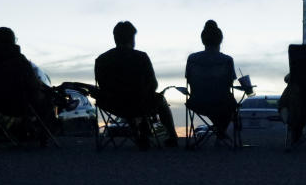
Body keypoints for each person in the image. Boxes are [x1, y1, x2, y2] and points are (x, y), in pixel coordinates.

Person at [94, 21, 178, 149]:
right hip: (140, 104)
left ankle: (139, 133)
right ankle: (172, 137)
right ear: (132, 38)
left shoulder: (101, 59)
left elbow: (102, 86)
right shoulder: (141, 57)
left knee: (127, 99)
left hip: (112, 104)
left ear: (115, 37)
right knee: (160, 99)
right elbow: (154, 84)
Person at [185, 20, 238, 141]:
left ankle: (219, 131)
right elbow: (230, 83)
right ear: (220, 40)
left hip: (197, 101)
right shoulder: (227, 60)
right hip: (222, 102)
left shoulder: (192, 59)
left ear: (203, 40)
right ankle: (220, 132)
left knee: (217, 106)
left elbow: (189, 80)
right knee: (230, 105)